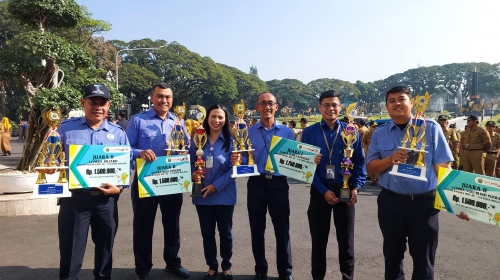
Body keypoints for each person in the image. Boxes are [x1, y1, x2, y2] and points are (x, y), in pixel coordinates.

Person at [366, 86, 454, 280]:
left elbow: (442, 166)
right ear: (387, 106)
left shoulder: (430, 127)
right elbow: (371, 167)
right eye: (391, 100)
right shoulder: (380, 133)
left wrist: (453, 200)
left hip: (423, 204)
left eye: (401, 99)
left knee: (424, 259)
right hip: (391, 202)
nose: (396, 103)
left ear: (411, 102)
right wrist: (390, 159)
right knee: (392, 257)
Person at [56, 84, 129, 280]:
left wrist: (120, 187)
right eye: (92, 102)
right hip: (74, 199)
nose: (98, 107)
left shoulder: (118, 132)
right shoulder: (65, 128)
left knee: (106, 249)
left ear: (108, 106)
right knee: (71, 250)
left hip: (106, 201)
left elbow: (127, 162)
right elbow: (52, 159)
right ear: (83, 103)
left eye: (102, 103)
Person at [126, 82, 190, 280]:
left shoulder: (178, 121)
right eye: (160, 96)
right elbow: (125, 149)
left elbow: (187, 146)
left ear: (172, 100)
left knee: (172, 225)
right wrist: (140, 152)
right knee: (143, 226)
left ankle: (173, 263)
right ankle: (143, 269)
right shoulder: (138, 121)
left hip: (172, 180)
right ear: (152, 99)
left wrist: (187, 151)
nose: (164, 100)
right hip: (146, 180)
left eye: (168, 97)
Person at [301, 90, 365, 280]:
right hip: (319, 191)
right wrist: (323, 191)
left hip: (345, 190)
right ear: (320, 107)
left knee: (346, 242)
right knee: (318, 241)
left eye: (334, 105)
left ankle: (347, 277)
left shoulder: (350, 130)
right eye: (326, 105)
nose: (330, 108)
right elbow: (305, 167)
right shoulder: (310, 132)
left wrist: (356, 187)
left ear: (340, 107)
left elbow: (360, 162)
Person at [232, 92, 295, 280]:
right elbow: (243, 158)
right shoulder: (247, 131)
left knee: (282, 229)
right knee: (257, 229)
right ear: (257, 107)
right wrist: (237, 159)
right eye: (263, 104)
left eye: (270, 103)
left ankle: (285, 272)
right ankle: (260, 269)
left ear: (276, 107)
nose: (267, 107)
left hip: (279, 184)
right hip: (257, 183)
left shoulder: (287, 132)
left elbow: (293, 158)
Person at [190, 104, 236, 280]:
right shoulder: (197, 139)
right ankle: (211, 266)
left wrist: (216, 186)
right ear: (207, 118)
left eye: (220, 117)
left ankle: (226, 266)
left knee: (226, 233)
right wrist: (192, 172)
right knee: (207, 232)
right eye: (213, 117)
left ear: (225, 120)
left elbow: (234, 169)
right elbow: (190, 160)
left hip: (223, 195)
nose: (216, 121)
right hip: (201, 193)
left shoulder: (231, 142)